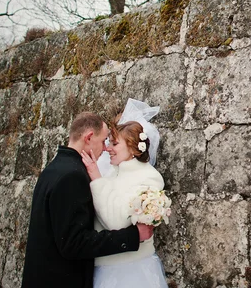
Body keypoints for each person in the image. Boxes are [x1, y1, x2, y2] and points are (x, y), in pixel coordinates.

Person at [21, 112, 154, 288]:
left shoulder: (54, 168)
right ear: (89, 137)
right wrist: (133, 236)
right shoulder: (73, 176)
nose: (106, 148)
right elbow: (73, 243)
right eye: (104, 140)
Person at [80, 99, 169, 288]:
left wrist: (96, 177)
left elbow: (117, 222)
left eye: (114, 143)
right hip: (103, 266)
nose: (108, 148)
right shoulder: (112, 173)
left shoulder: (149, 178)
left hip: (129, 271)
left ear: (132, 147)